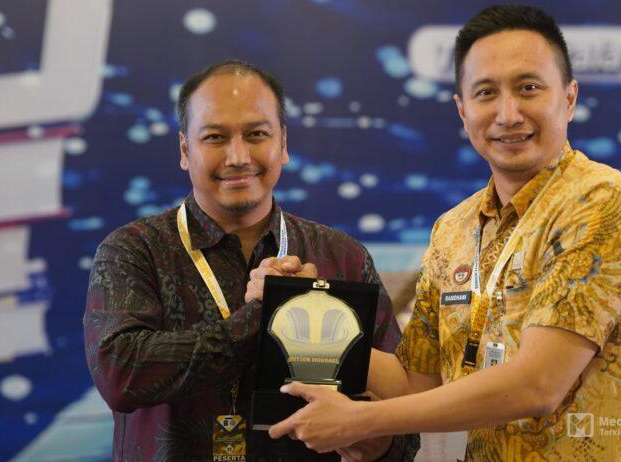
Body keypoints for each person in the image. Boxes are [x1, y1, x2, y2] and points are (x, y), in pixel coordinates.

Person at [269, 4, 621, 461]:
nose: (508, 114)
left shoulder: (605, 203)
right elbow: (415, 383)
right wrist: (300, 308)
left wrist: (361, 420)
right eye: (486, 93)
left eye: (528, 88)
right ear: (463, 111)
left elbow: (538, 385)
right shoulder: (454, 229)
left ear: (569, 97)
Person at [83, 59, 418, 461]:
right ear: (185, 150)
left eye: (257, 134)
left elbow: (403, 415)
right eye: (215, 137)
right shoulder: (134, 250)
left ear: (283, 144)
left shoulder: (342, 256)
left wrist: (376, 444)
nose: (238, 156)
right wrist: (268, 314)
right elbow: (120, 376)